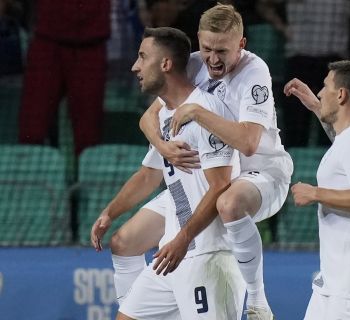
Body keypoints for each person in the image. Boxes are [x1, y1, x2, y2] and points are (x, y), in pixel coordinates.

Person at [139, 4, 293, 319]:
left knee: (228, 203)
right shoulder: (194, 64)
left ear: (241, 45)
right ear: (198, 40)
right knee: (137, 227)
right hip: (221, 172)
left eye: (222, 50)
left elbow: (249, 143)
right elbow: (148, 118)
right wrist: (162, 147)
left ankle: (258, 301)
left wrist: (198, 112)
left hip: (263, 174)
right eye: (207, 48)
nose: (213, 58)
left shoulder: (255, 72)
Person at [93, 26, 246, 319]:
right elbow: (150, 175)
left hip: (208, 256)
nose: (134, 66)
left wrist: (183, 240)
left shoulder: (207, 111)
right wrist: (110, 213)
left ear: (165, 64)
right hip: (171, 255)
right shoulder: (165, 114)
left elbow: (221, 187)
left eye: (142, 57)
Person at [284, 60, 350, 320]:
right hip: (336, 281)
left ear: (341, 95)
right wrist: (316, 107)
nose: (320, 93)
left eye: (325, 87)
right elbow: (345, 149)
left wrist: (315, 193)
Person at [18, 0, 110, 156]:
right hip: (47, 42)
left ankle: (85, 178)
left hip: (91, 44)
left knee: (88, 136)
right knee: (31, 130)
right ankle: (28, 177)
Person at [282, 0, 350, 148]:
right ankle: (294, 161)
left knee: (333, 120)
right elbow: (264, 5)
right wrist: (282, 28)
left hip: (334, 62)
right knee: (296, 122)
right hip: (300, 60)